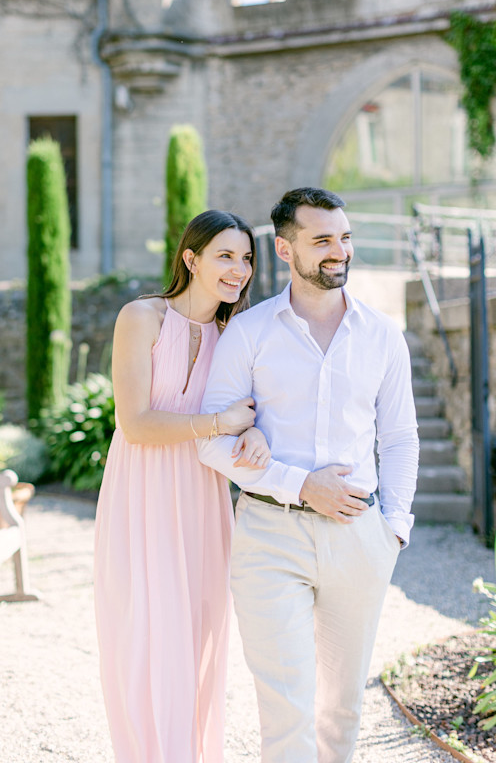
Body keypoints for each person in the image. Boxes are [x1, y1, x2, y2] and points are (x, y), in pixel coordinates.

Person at [197, 188, 420, 763]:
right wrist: (300, 486)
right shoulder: (248, 333)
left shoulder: (382, 335)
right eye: (321, 240)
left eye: (344, 238)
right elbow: (214, 444)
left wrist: (393, 528)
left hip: (360, 537)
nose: (337, 251)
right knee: (286, 706)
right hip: (270, 538)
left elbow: (399, 438)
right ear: (284, 248)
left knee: (342, 709)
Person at [94, 209, 271, 763]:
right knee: (144, 633)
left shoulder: (236, 335)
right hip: (140, 491)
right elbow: (136, 423)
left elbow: (256, 414)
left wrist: (258, 436)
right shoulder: (141, 317)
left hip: (202, 495)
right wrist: (219, 424)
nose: (239, 269)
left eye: (245, 259)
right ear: (191, 259)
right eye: (225, 255)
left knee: (199, 634)